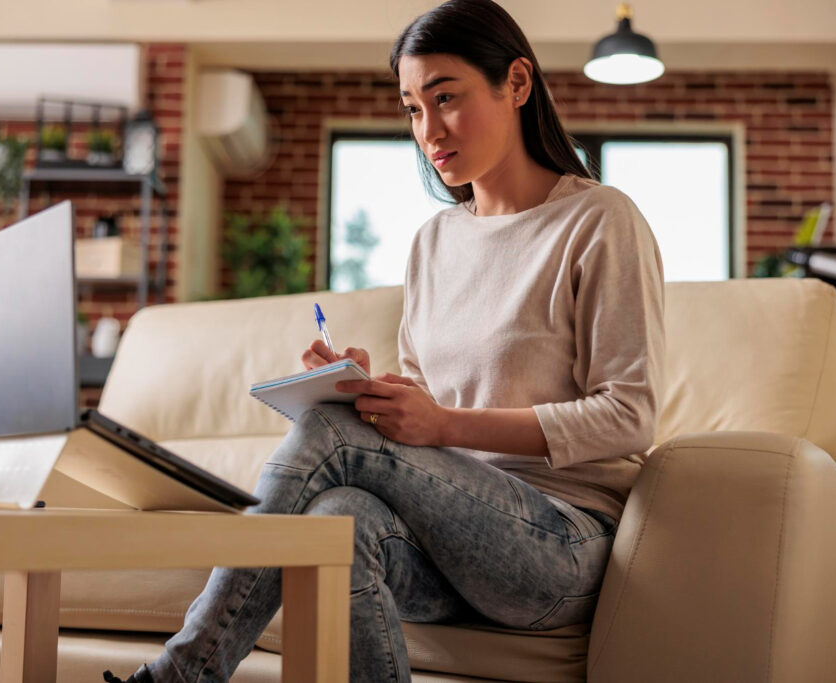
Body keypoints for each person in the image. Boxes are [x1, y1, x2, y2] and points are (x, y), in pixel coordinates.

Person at [105, 0, 664, 681]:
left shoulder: (599, 221)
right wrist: (370, 390)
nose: (428, 129)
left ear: (517, 84)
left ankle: (184, 670)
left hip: (559, 545)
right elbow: (430, 411)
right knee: (339, 517)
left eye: (446, 98)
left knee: (329, 431)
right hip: (453, 535)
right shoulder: (434, 242)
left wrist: (440, 421)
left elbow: (630, 414)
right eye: (411, 108)